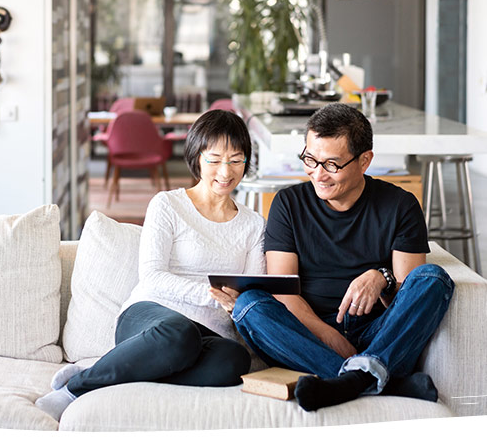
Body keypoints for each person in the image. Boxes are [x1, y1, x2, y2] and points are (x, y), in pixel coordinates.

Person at [35, 110, 266, 421]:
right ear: (197, 157)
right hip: (151, 316)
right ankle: (78, 386)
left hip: (211, 331)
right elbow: (153, 277)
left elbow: (251, 288)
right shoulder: (167, 205)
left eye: (236, 160)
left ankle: (112, 368)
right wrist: (211, 295)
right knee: (180, 334)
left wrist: (242, 303)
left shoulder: (254, 225)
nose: (225, 171)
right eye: (214, 159)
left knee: (233, 361)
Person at [230, 103, 454, 411]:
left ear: (364, 161)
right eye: (310, 159)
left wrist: (382, 277)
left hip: (380, 333)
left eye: (331, 164)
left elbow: (407, 294)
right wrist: (329, 336)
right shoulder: (288, 204)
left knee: (433, 279)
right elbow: (284, 293)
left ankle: (350, 381)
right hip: (309, 333)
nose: (318, 175)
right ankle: (377, 378)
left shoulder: (400, 206)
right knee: (249, 306)